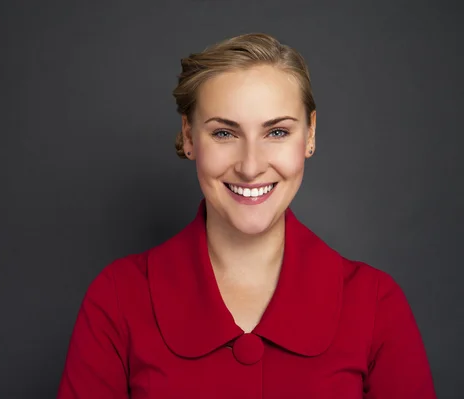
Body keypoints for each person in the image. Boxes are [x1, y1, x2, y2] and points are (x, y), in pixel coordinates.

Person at [56, 33, 436, 398]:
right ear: (189, 137)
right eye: (224, 133)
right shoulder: (117, 299)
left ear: (310, 135)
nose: (251, 167)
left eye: (277, 132)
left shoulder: (375, 304)